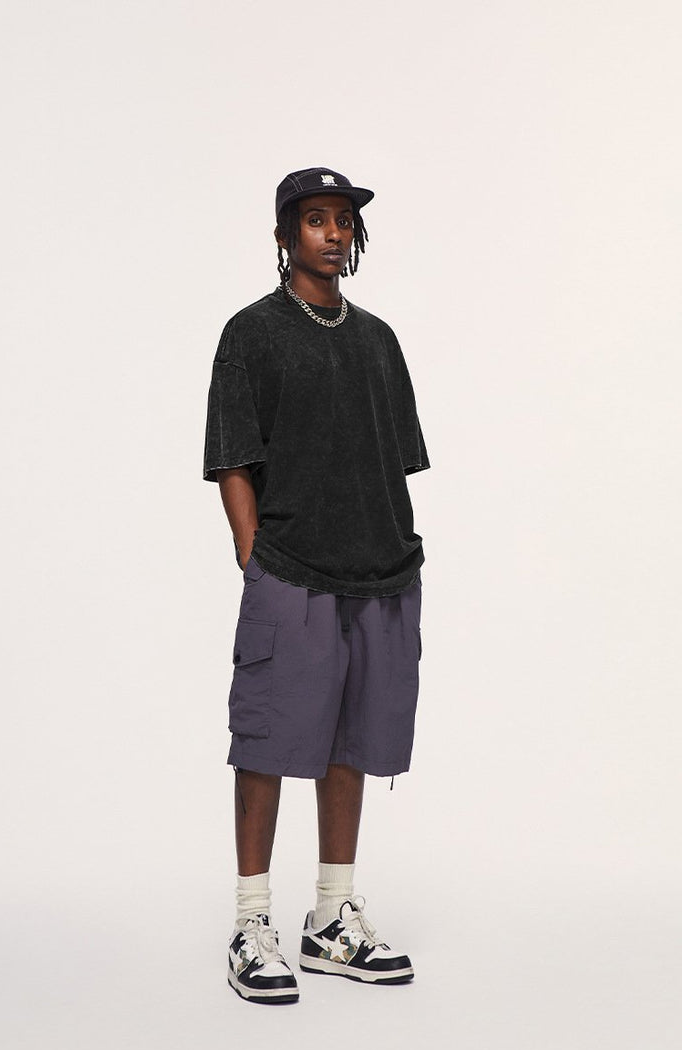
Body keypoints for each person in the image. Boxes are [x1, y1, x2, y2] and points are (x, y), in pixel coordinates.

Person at [203, 167, 430, 1004]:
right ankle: (251, 921)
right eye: (316, 220)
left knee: (353, 739)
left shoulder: (378, 340)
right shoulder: (252, 333)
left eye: (343, 220)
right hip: (291, 570)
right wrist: (253, 554)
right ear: (284, 235)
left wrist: (396, 549)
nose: (334, 233)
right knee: (267, 738)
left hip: (380, 570)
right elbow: (232, 457)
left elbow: (393, 459)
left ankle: (332, 915)